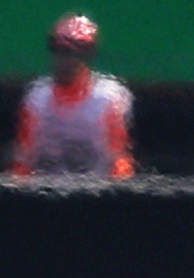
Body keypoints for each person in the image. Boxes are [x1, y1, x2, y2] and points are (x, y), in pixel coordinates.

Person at [10, 12, 134, 181]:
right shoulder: (37, 99)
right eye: (57, 51)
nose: (62, 60)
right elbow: (23, 160)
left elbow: (119, 158)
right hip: (45, 194)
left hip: (96, 192)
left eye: (69, 53)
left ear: (86, 57)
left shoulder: (108, 99)